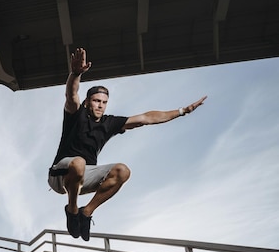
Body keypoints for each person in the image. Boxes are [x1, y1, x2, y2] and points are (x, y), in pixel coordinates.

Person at [48, 48, 206, 241]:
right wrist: (76, 73)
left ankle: (86, 213)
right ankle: (71, 210)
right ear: (88, 102)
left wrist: (182, 111)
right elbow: (71, 94)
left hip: (83, 177)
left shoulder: (109, 123)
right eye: (96, 101)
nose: (100, 105)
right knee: (78, 162)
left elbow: (146, 118)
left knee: (123, 170)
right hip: (60, 175)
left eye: (104, 102)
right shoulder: (76, 113)